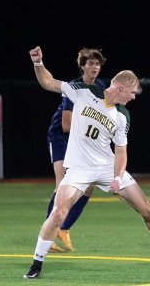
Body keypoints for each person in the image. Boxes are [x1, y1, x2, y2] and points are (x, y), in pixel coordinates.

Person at [24, 46, 150, 279]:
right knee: (58, 213)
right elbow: (49, 82)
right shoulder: (83, 92)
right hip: (78, 169)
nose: (134, 97)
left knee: (146, 209)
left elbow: (121, 152)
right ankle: (36, 263)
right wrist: (38, 63)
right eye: (133, 92)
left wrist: (116, 177)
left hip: (107, 167)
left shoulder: (122, 115)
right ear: (121, 87)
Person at [46, 48, 107, 253]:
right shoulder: (74, 87)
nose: (94, 67)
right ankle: (48, 235)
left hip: (80, 139)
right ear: (82, 66)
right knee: (62, 184)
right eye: (90, 63)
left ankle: (63, 228)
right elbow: (66, 125)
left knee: (88, 187)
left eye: (97, 64)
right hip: (62, 137)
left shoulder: (101, 87)